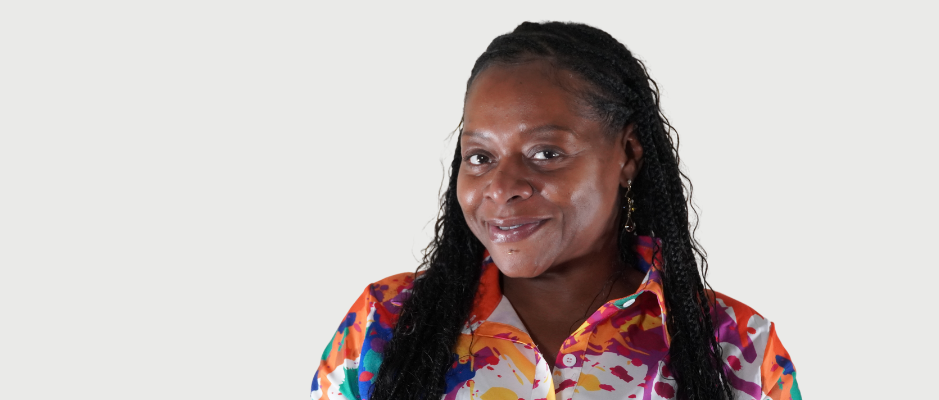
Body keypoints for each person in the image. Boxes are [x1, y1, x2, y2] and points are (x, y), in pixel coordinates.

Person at [310, 21, 801, 400]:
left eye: (546, 153)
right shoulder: (386, 324)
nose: (501, 188)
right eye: (480, 157)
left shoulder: (738, 347)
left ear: (627, 154)